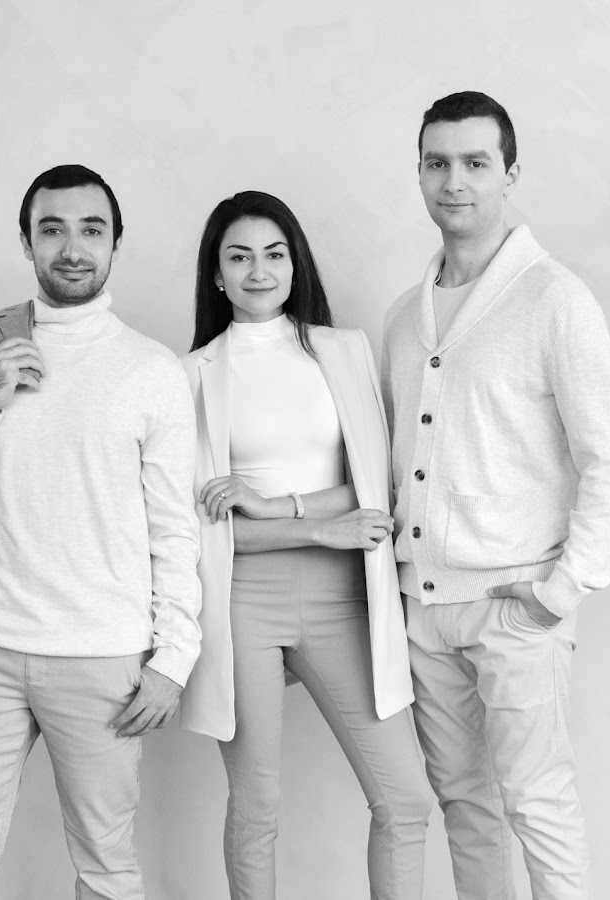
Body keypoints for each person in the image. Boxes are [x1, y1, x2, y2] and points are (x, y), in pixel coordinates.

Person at [0, 164, 201, 900]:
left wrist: (175, 657)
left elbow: (174, 529)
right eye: (52, 229)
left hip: (102, 654)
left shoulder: (151, 370)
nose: (72, 247)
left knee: (107, 872)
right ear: (27, 242)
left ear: (116, 242)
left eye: (91, 229)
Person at [381, 92, 610, 899]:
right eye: (437, 163)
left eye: (474, 162)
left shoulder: (553, 298)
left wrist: (564, 588)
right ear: (420, 172)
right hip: (423, 608)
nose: (454, 181)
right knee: (466, 806)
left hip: (515, 604)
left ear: (510, 173)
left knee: (538, 802)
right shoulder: (403, 316)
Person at [180, 190, 432, 899]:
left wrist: (277, 505)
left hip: (342, 595)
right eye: (239, 257)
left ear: (296, 263)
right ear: (217, 275)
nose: (259, 271)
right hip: (241, 602)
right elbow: (202, 531)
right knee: (256, 806)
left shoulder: (343, 351)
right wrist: (316, 527)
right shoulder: (192, 374)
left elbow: (374, 486)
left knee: (405, 799)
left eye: (274, 253)